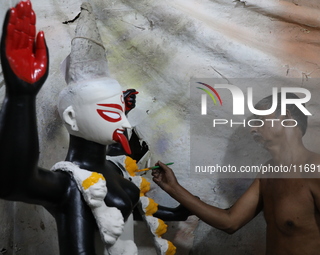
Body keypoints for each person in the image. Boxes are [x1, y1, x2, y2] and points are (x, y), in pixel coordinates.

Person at [0, 1, 189, 255]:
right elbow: (14, 182)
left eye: (123, 111)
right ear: (71, 118)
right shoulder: (70, 183)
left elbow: (138, 208)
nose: (124, 121)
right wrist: (21, 97)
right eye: (112, 112)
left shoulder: (112, 166)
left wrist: (178, 211)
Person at [152, 93, 320, 255]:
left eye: (259, 121)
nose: (252, 129)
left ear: (286, 117)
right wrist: (173, 188)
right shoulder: (268, 172)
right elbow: (230, 222)